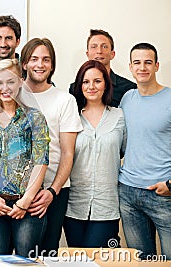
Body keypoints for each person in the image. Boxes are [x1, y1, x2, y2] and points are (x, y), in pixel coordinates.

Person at [0, 59, 50, 257]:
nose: (5, 88)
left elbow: (40, 161)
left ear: (20, 82)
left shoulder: (35, 117)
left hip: (28, 207)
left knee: (25, 261)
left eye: (10, 82)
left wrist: (25, 202)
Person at [19, 38, 83, 255]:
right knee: (14, 256)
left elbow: (67, 153)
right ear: (25, 63)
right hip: (15, 191)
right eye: (34, 59)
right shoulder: (11, 94)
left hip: (53, 191)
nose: (40, 64)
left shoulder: (64, 100)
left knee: (47, 253)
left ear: (52, 65)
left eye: (46, 59)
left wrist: (52, 192)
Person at [64, 60, 126, 248]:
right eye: (85, 82)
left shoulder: (119, 116)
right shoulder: (71, 116)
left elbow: (124, 152)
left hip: (107, 205)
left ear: (106, 84)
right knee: (77, 260)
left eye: (97, 81)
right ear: (79, 85)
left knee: (99, 260)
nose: (91, 87)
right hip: (74, 205)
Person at [118, 43, 171, 260]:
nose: (142, 67)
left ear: (157, 66)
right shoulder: (127, 99)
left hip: (163, 195)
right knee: (141, 262)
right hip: (129, 194)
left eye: (148, 62)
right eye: (137, 63)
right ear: (130, 67)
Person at [69, 29, 136, 107]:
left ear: (112, 54)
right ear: (87, 54)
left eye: (104, 46)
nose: (99, 51)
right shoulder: (75, 88)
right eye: (94, 47)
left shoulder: (129, 88)